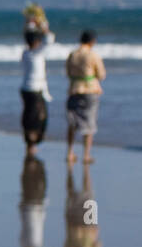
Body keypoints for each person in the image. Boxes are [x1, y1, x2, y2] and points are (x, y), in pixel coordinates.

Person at [65, 29, 106, 164]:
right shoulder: (92, 55)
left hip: (74, 89)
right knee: (89, 122)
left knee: (73, 123)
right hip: (90, 90)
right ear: (92, 41)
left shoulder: (73, 54)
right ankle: (86, 155)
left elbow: (68, 72)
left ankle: (70, 152)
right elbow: (101, 75)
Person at [19, 27, 55, 154]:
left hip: (26, 89)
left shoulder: (25, 53)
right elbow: (50, 40)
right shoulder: (37, 53)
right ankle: (32, 144)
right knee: (38, 118)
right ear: (36, 42)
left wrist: (31, 24)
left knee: (29, 117)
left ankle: (30, 144)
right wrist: (44, 27)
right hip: (35, 90)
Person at [19, 155, 49, 247]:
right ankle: (36, 166)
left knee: (31, 188)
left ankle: (35, 165)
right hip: (33, 209)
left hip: (32, 209)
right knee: (34, 188)